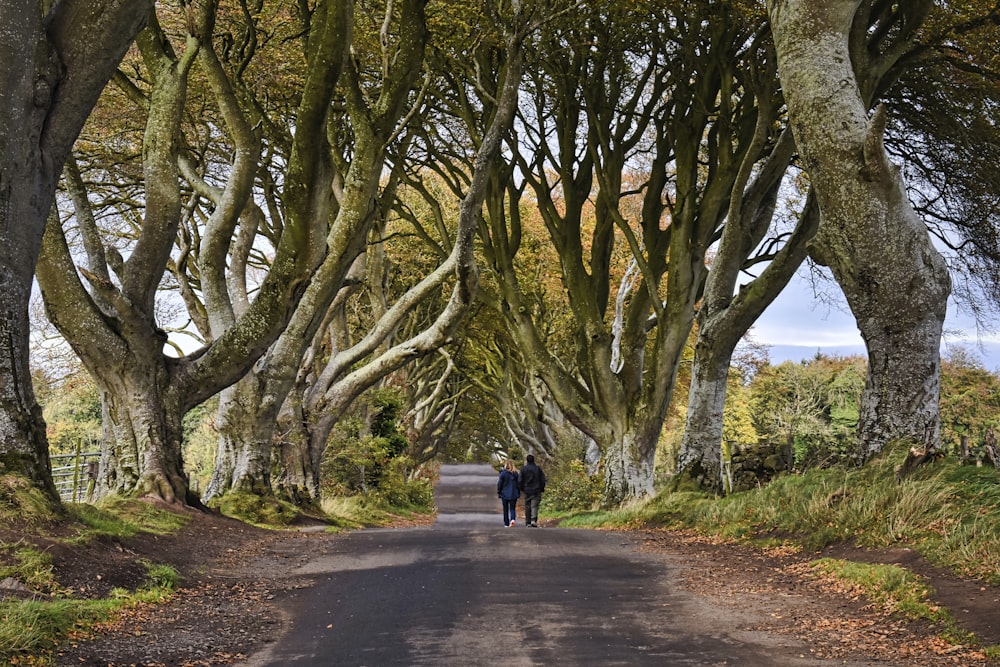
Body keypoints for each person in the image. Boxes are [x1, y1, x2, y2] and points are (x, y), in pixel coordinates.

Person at [518, 454, 546, 527]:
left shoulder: (523, 469)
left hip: (527, 490)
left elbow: (520, 480)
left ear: (527, 460)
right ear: (534, 460)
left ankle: (528, 522)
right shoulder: (538, 469)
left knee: (527, 506)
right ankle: (533, 520)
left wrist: (521, 489)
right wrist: (542, 488)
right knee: (534, 505)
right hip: (537, 490)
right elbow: (543, 480)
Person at [497, 459, 520, 527]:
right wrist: (518, 492)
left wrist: (499, 491)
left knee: (505, 509)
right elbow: (518, 484)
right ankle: (512, 519)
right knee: (512, 508)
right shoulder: (516, 473)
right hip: (514, 493)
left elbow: (500, 484)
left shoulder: (503, 474)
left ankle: (506, 523)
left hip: (504, 494)